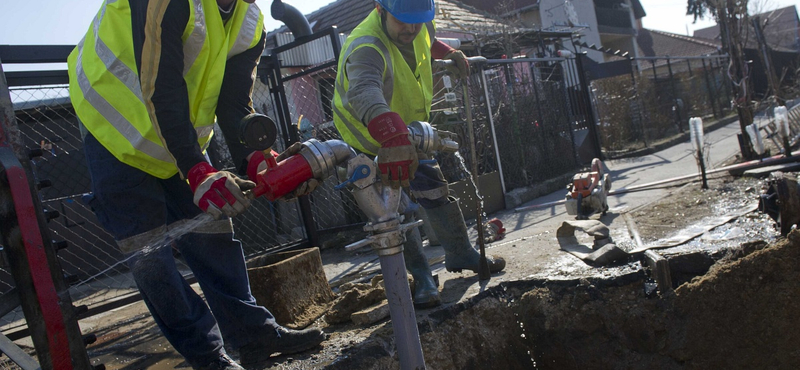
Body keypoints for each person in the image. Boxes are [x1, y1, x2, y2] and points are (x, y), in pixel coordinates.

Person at [67, 0, 323, 369]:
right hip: (114, 126)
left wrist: (254, 158)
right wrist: (196, 169)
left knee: (214, 233)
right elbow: (162, 85)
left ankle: (254, 336)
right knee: (150, 256)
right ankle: (208, 357)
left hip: (176, 135)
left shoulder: (249, 20)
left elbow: (234, 101)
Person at [332, 0, 506, 308]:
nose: (411, 29)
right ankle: (422, 277)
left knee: (434, 190)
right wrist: (392, 137)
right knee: (396, 210)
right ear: (380, 9)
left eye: (418, 21)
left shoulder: (418, 23)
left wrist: (448, 53)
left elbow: (428, 39)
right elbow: (364, 92)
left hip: (407, 133)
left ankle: (460, 252)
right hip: (370, 141)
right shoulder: (366, 46)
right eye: (403, 22)